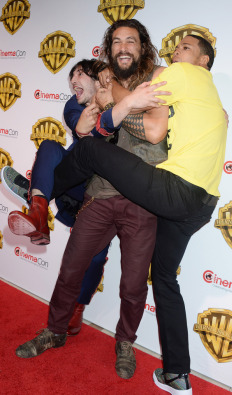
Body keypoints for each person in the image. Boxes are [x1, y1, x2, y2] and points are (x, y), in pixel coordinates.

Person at [13, 19, 170, 381]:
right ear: (108, 49)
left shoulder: (158, 80)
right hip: (98, 195)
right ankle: (54, 331)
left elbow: (153, 132)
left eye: (132, 40)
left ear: (143, 46)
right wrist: (119, 105)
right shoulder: (98, 87)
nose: (124, 47)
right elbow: (85, 129)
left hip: (142, 200)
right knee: (71, 269)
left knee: (133, 285)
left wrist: (119, 102)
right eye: (117, 42)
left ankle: (126, 344)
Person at [1, 59, 114, 336]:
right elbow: (83, 127)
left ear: (99, 79)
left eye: (79, 74)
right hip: (75, 184)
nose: (73, 81)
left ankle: (78, 308)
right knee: (51, 146)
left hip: (106, 194)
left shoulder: (123, 106)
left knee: (97, 257)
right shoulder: (73, 105)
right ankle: (38, 212)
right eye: (70, 77)